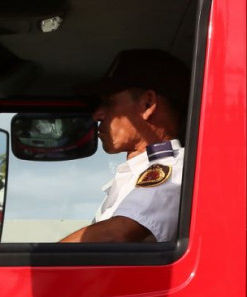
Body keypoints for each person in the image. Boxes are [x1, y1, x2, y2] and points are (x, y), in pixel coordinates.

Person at [61, 49, 189, 243]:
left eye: (109, 103)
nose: (97, 115)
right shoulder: (139, 171)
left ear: (147, 104)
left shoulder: (175, 168)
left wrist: (31, 268)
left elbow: (114, 236)